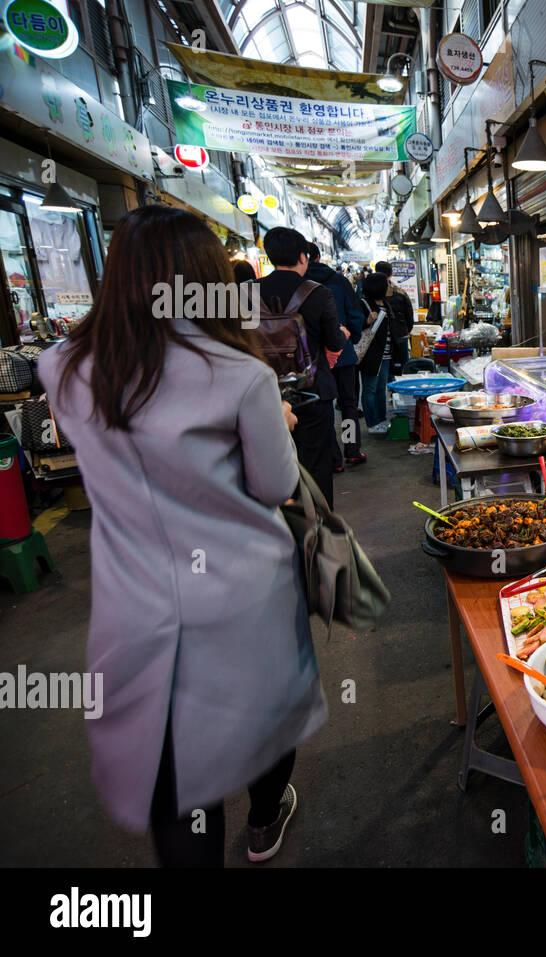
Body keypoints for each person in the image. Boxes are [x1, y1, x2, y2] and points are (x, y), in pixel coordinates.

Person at [43, 205, 326, 866]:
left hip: (134, 612)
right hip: (243, 600)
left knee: (175, 785)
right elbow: (274, 486)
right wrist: (274, 422)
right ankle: (263, 821)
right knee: (266, 720)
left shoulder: (65, 367)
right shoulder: (241, 375)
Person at [255, 227, 348, 505]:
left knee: (272, 462)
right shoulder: (318, 294)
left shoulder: (245, 293)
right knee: (317, 462)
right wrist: (342, 334)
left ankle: (285, 523)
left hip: (263, 393)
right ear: (303, 257)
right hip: (312, 391)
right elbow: (334, 340)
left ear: (270, 256)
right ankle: (319, 524)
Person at [306, 242, 368, 469]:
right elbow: (355, 316)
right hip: (343, 354)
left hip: (312, 358)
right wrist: (352, 339)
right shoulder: (340, 281)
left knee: (324, 406)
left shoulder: (300, 284)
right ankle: (351, 449)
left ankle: (333, 457)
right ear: (319, 256)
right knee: (349, 404)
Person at [358, 272, 397, 432]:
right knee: (370, 389)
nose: (391, 286)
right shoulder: (363, 303)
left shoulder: (387, 304)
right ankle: (372, 423)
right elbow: (353, 326)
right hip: (371, 355)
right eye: (388, 284)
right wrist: (366, 321)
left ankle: (382, 420)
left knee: (382, 389)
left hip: (386, 354)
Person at [374, 261, 414, 380]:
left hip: (378, 340)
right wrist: (404, 331)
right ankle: (398, 396)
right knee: (400, 372)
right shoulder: (401, 292)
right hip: (400, 337)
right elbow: (410, 318)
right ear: (391, 274)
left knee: (381, 376)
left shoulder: (370, 294)